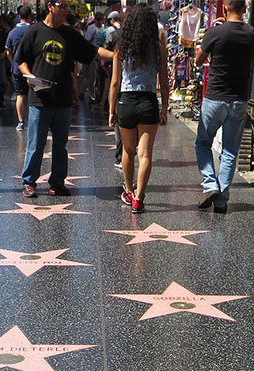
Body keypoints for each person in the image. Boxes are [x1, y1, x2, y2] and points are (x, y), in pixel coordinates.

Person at [16, 0, 113, 197]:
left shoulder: (70, 34)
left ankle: (57, 181)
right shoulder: (34, 32)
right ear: (50, 6)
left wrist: (116, 56)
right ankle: (29, 182)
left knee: (61, 144)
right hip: (40, 99)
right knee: (36, 143)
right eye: (62, 6)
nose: (65, 10)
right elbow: (21, 60)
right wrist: (29, 76)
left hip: (63, 99)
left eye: (67, 7)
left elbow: (93, 52)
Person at [194, 0, 254, 214]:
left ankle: (210, 184)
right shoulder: (253, 34)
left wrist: (215, 31)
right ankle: (221, 201)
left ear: (224, 8)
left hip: (214, 97)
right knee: (230, 150)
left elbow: (198, 60)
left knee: (203, 143)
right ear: (245, 8)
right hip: (239, 99)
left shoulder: (216, 33)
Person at [109, 4, 169, 214]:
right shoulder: (159, 48)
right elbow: (164, 80)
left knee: (128, 150)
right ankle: (138, 198)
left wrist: (111, 110)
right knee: (145, 154)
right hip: (148, 101)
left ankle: (127, 189)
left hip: (125, 101)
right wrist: (165, 108)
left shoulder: (120, 48)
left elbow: (115, 82)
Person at [5, 6, 33, 132]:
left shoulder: (12, 32)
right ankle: (34, 120)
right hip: (31, 68)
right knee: (34, 95)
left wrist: (13, 62)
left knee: (19, 95)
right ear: (30, 16)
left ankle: (21, 122)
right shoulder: (32, 30)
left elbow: (8, 51)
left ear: (18, 16)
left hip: (17, 68)